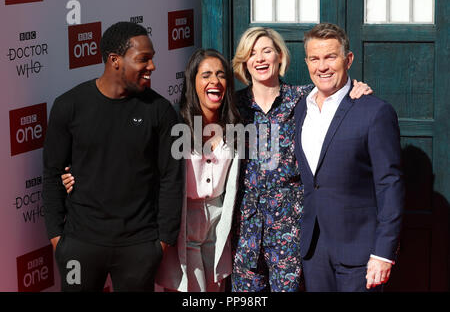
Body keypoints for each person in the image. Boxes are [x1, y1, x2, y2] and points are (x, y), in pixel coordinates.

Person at [62, 49, 242, 292]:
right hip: (181, 225)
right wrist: (79, 175)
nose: (215, 81)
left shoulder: (236, 128)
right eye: (206, 75)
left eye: (221, 75)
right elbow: (131, 161)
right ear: (193, 81)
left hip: (218, 227)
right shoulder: (174, 125)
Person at [43, 21, 183, 292]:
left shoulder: (161, 111)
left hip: (139, 246)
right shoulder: (68, 106)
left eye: (152, 58)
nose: (152, 66)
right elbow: (51, 174)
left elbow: (171, 178)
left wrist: (162, 242)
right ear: (115, 60)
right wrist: (58, 239)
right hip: (79, 245)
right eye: (143, 59)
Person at [230, 27, 372, 292]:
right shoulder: (234, 107)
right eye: (252, 53)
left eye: (267, 51)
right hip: (245, 226)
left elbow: (339, 93)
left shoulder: (304, 98)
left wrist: (359, 89)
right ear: (244, 61)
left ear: (280, 57)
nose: (260, 58)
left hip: (292, 226)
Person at [294, 23, 404, 292]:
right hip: (315, 250)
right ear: (307, 62)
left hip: (361, 252)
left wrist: (383, 253)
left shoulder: (374, 111)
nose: (322, 67)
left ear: (348, 59)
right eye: (315, 59)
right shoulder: (300, 108)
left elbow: (390, 184)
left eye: (330, 57)